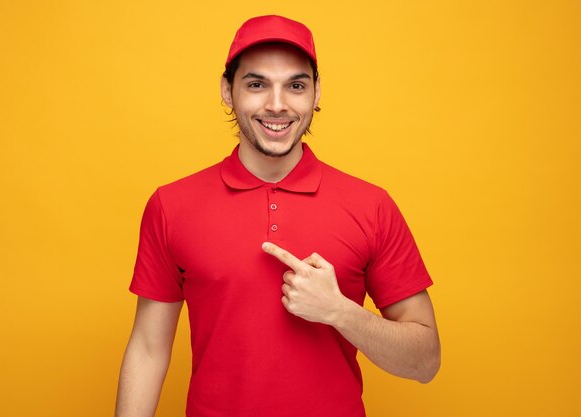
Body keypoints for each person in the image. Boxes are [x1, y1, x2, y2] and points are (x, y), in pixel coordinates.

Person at [115, 15, 440, 417]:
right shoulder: (171, 205)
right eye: (256, 84)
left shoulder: (371, 206)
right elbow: (148, 349)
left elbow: (425, 362)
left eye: (296, 85)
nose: (277, 104)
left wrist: (339, 311)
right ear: (226, 90)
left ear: (317, 93)